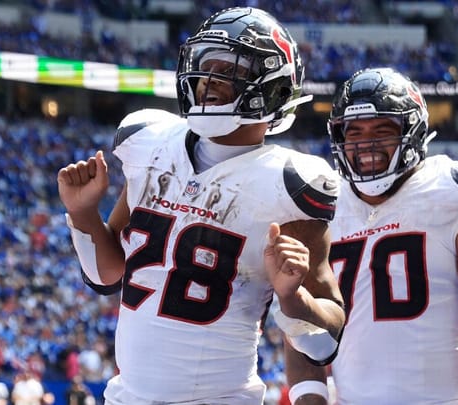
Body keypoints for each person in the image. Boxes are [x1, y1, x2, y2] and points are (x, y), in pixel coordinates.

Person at [57, 7, 345, 405]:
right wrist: (84, 214)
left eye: (231, 70)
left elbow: (323, 344)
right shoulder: (149, 142)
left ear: (272, 88)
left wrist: (294, 299)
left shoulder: (291, 184)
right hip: (127, 396)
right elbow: (107, 277)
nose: (210, 81)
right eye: (207, 67)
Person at [318, 67, 458, 404]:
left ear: (412, 131)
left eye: (382, 129)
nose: (366, 143)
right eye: (354, 132)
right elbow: (305, 329)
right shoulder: (326, 205)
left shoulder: (456, 193)